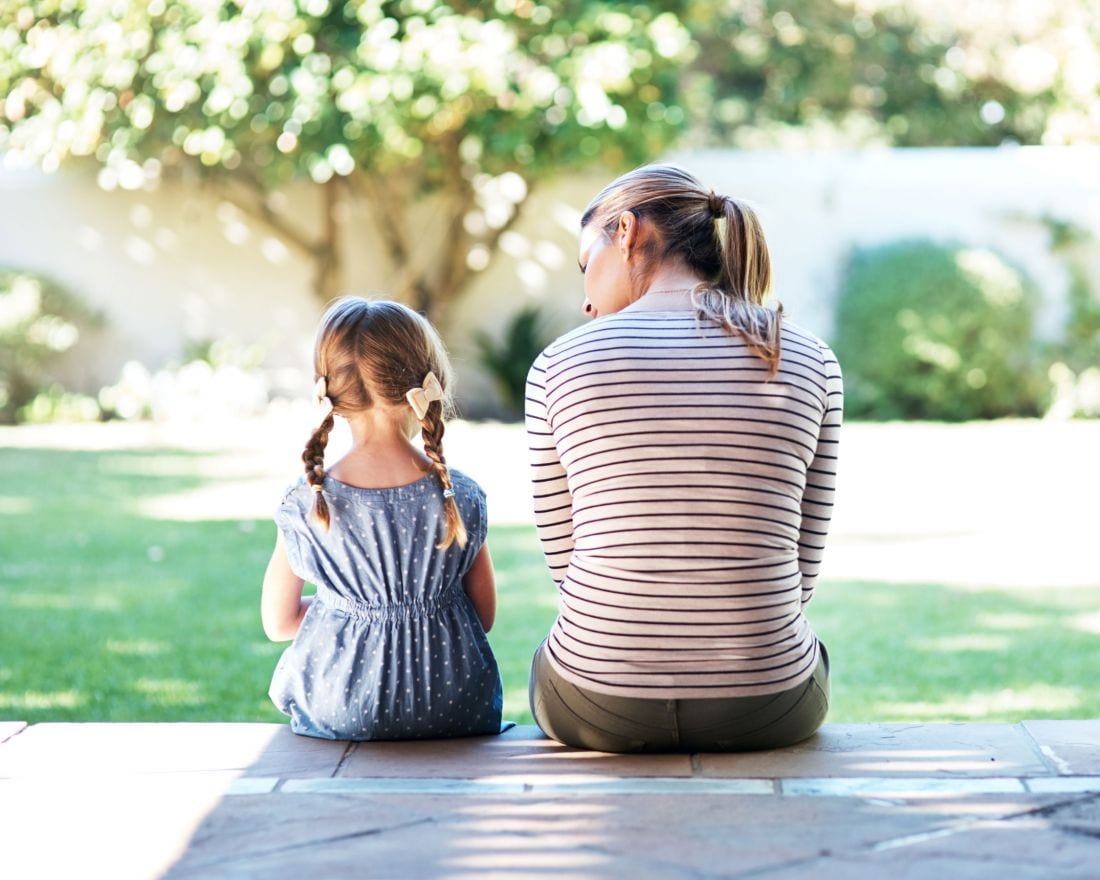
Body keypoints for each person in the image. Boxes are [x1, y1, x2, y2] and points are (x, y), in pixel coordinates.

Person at [525, 164, 843, 753]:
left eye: (584, 265)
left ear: (625, 231)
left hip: (597, 704)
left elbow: (566, 565)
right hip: (768, 704)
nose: (585, 299)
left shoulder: (558, 365)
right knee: (810, 651)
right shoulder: (808, 357)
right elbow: (802, 568)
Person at [262, 296, 503, 741]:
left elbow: (278, 623)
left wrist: (349, 607)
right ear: (429, 382)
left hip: (341, 707)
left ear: (328, 392)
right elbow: (483, 616)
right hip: (454, 706)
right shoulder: (461, 495)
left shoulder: (307, 501)